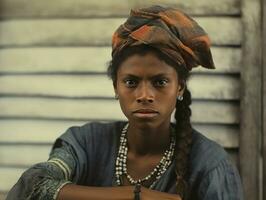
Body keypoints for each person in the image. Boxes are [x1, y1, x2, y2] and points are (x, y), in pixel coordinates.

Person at [6, 5, 244, 200]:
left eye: (159, 82)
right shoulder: (86, 143)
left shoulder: (210, 165)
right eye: (131, 82)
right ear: (115, 87)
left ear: (179, 87)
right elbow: (31, 187)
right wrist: (134, 195)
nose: (144, 95)